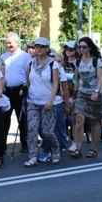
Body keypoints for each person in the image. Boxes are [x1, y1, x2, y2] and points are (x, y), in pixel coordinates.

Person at [24, 37, 61, 166]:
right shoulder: (30, 64)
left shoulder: (53, 64)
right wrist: (27, 96)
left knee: (47, 131)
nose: (38, 48)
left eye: (41, 46)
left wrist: (50, 101)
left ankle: (56, 147)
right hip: (33, 101)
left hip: (48, 102)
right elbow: (28, 82)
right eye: (36, 46)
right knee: (32, 129)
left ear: (47, 49)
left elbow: (56, 85)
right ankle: (32, 156)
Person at [71, 36, 102, 159]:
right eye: (80, 47)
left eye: (84, 47)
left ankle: (93, 148)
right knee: (79, 118)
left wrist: (96, 91)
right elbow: (76, 78)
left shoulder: (96, 61)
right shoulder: (77, 61)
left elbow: (100, 78)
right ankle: (78, 148)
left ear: (90, 47)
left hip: (95, 93)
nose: (82, 49)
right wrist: (75, 94)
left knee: (95, 120)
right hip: (82, 92)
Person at [0, 32, 31, 154]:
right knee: (4, 119)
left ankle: (24, 143)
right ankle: (3, 145)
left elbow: (28, 74)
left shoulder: (25, 56)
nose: (8, 45)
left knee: (22, 119)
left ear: (17, 42)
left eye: (10, 43)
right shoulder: (3, 57)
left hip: (20, 91)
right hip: (7, 91)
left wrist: (25, 88)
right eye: (6, 43)